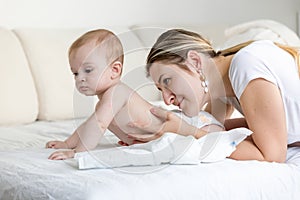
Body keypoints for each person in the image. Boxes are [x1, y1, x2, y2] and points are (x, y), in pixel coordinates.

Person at [46, 29, 224, 160]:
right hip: (175, 131)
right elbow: (90, 124)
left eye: (88, 70)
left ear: (114, 70)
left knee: (216, 140)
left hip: (190, 124)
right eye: (76, 73)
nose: (80, 79)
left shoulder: (116, 92)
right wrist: (68, 143)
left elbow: (98, 125)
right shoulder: (106, 100)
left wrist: (77, 153)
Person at [127, 28, 300, 163]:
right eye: (160, 90)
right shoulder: (225, 84)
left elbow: (272, 156)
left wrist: (187, 131)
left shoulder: (245, 65)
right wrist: (168, 132)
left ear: (195, 62)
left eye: (167, 81)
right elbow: (217, 129)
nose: (166, 99)